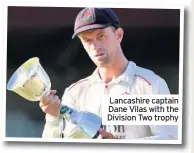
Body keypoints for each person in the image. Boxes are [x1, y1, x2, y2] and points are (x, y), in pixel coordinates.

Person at [39, 7, 178, 139]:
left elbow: (172, 140)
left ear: (118, 35)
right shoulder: (74, 93)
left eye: (101, 36)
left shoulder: (151, 84)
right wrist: (53, 117)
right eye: (87, 40)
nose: (95, 46)